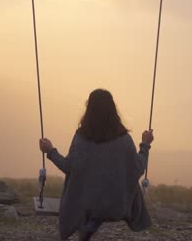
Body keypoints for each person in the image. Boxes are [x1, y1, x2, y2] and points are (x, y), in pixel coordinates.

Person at [39, 88, 154, 241]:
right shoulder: (124, 139)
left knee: (88, 193)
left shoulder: (81, 137)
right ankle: (93, 222)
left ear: (89, 109)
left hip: (86, 203)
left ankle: (88, 224)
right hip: (116, 205)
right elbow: (138, 168)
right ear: (113, 110)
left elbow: (68, 167)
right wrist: (145, 144)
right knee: (128, 178)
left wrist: (50, 151)